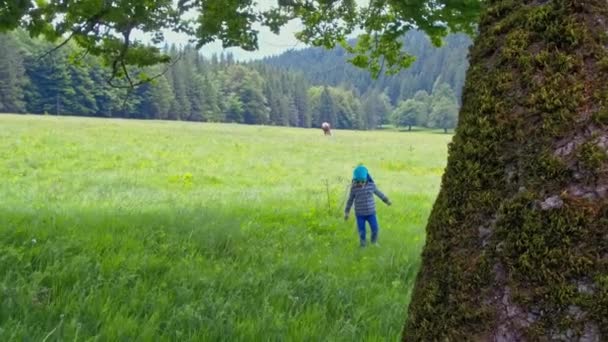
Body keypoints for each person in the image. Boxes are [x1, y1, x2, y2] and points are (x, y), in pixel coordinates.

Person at [344, 165, 391, 247]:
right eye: (358, 182)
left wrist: (386, 200)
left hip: (371, 213)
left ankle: (374, 242)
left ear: (366, 178)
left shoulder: (371, 186)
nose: (360, 184)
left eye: (362, 181)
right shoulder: (354, 188)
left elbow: (379, 193)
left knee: (375, 229)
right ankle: (363, 245)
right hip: (360, 215)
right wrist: (346, 212)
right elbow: (350, 200)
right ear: (355, 180)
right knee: (362, 231)